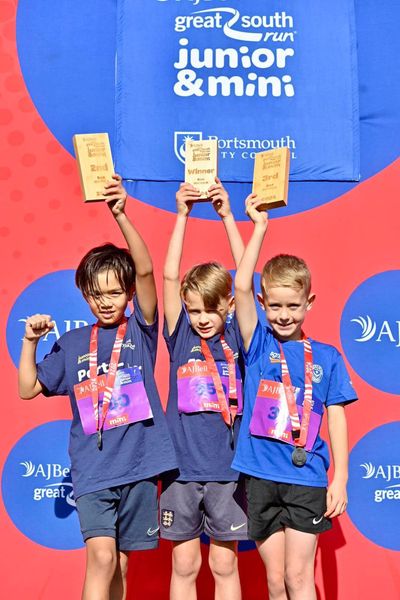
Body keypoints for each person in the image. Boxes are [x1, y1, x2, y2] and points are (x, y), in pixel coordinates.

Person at [18, 174, 177, 600]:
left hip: (141, 468)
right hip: (92, 470)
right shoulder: (72, 344)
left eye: (113, 293)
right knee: (102, 558)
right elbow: (28, 388)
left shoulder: (141, 332)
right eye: (95, 294)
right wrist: (30, 342)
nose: (105, 302)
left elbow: (145, 268)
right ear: (85, 296)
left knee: (122, 562)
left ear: (127, 294)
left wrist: (120, 212)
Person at [232, 194, 357, 600]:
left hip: (306, 478)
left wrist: (340, 475)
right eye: (276, 306)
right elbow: (240, 286)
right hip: (262, 475)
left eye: (293, 306)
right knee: (273, 580)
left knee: (299, 578)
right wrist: (260, 228)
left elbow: (336, 416)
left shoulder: (327, 357)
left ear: (309, 303)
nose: (284, 315)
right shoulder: (257, 343)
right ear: (264, 304)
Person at [161, 179, 247, 600]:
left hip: (228, 471)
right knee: (185, 563)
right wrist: (182, 215)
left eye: (211, 308)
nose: (201, 317)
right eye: (194, 309)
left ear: (228, 305)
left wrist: (228, 217)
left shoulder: (239, 337)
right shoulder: (180, 338)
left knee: (224, 563)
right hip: (180, 470)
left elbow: (246, 278)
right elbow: (169, 274)